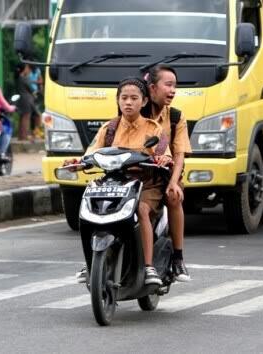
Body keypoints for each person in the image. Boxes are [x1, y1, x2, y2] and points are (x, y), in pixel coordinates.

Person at [71, 77, 172, 286]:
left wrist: (163, 158)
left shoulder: (154, 129)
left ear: (143, 102)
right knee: (88, 209)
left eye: (134, 98)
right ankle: (89, 262)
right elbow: (91, 154)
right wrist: (78, 163)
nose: (128, 102)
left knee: (142, 210)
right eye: (124, 98)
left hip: (145, 184)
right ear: (117, 101)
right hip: (112, 183)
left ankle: (148, 266)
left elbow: (165, 154)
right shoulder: (108, 129)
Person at [144, 64, 192, 282]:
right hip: (138, 174)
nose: (172, 90)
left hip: (164, 174)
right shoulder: (135, 111)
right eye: (168, 85)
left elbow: (180, 153)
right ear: (152, 88)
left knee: (174, 197)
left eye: (175, 86)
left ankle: (178, 258)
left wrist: (173, 181)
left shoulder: (175, 116)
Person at [14, 63, 36, 141]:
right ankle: (24, 136)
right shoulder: (24, 78)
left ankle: (20, 136)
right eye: (26, 68)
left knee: (21, 117)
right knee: (26, 118)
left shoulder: (17, 78)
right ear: (23, 69)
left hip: (21, 99)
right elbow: (32, 89)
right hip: (27, 100)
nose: (28, 69)